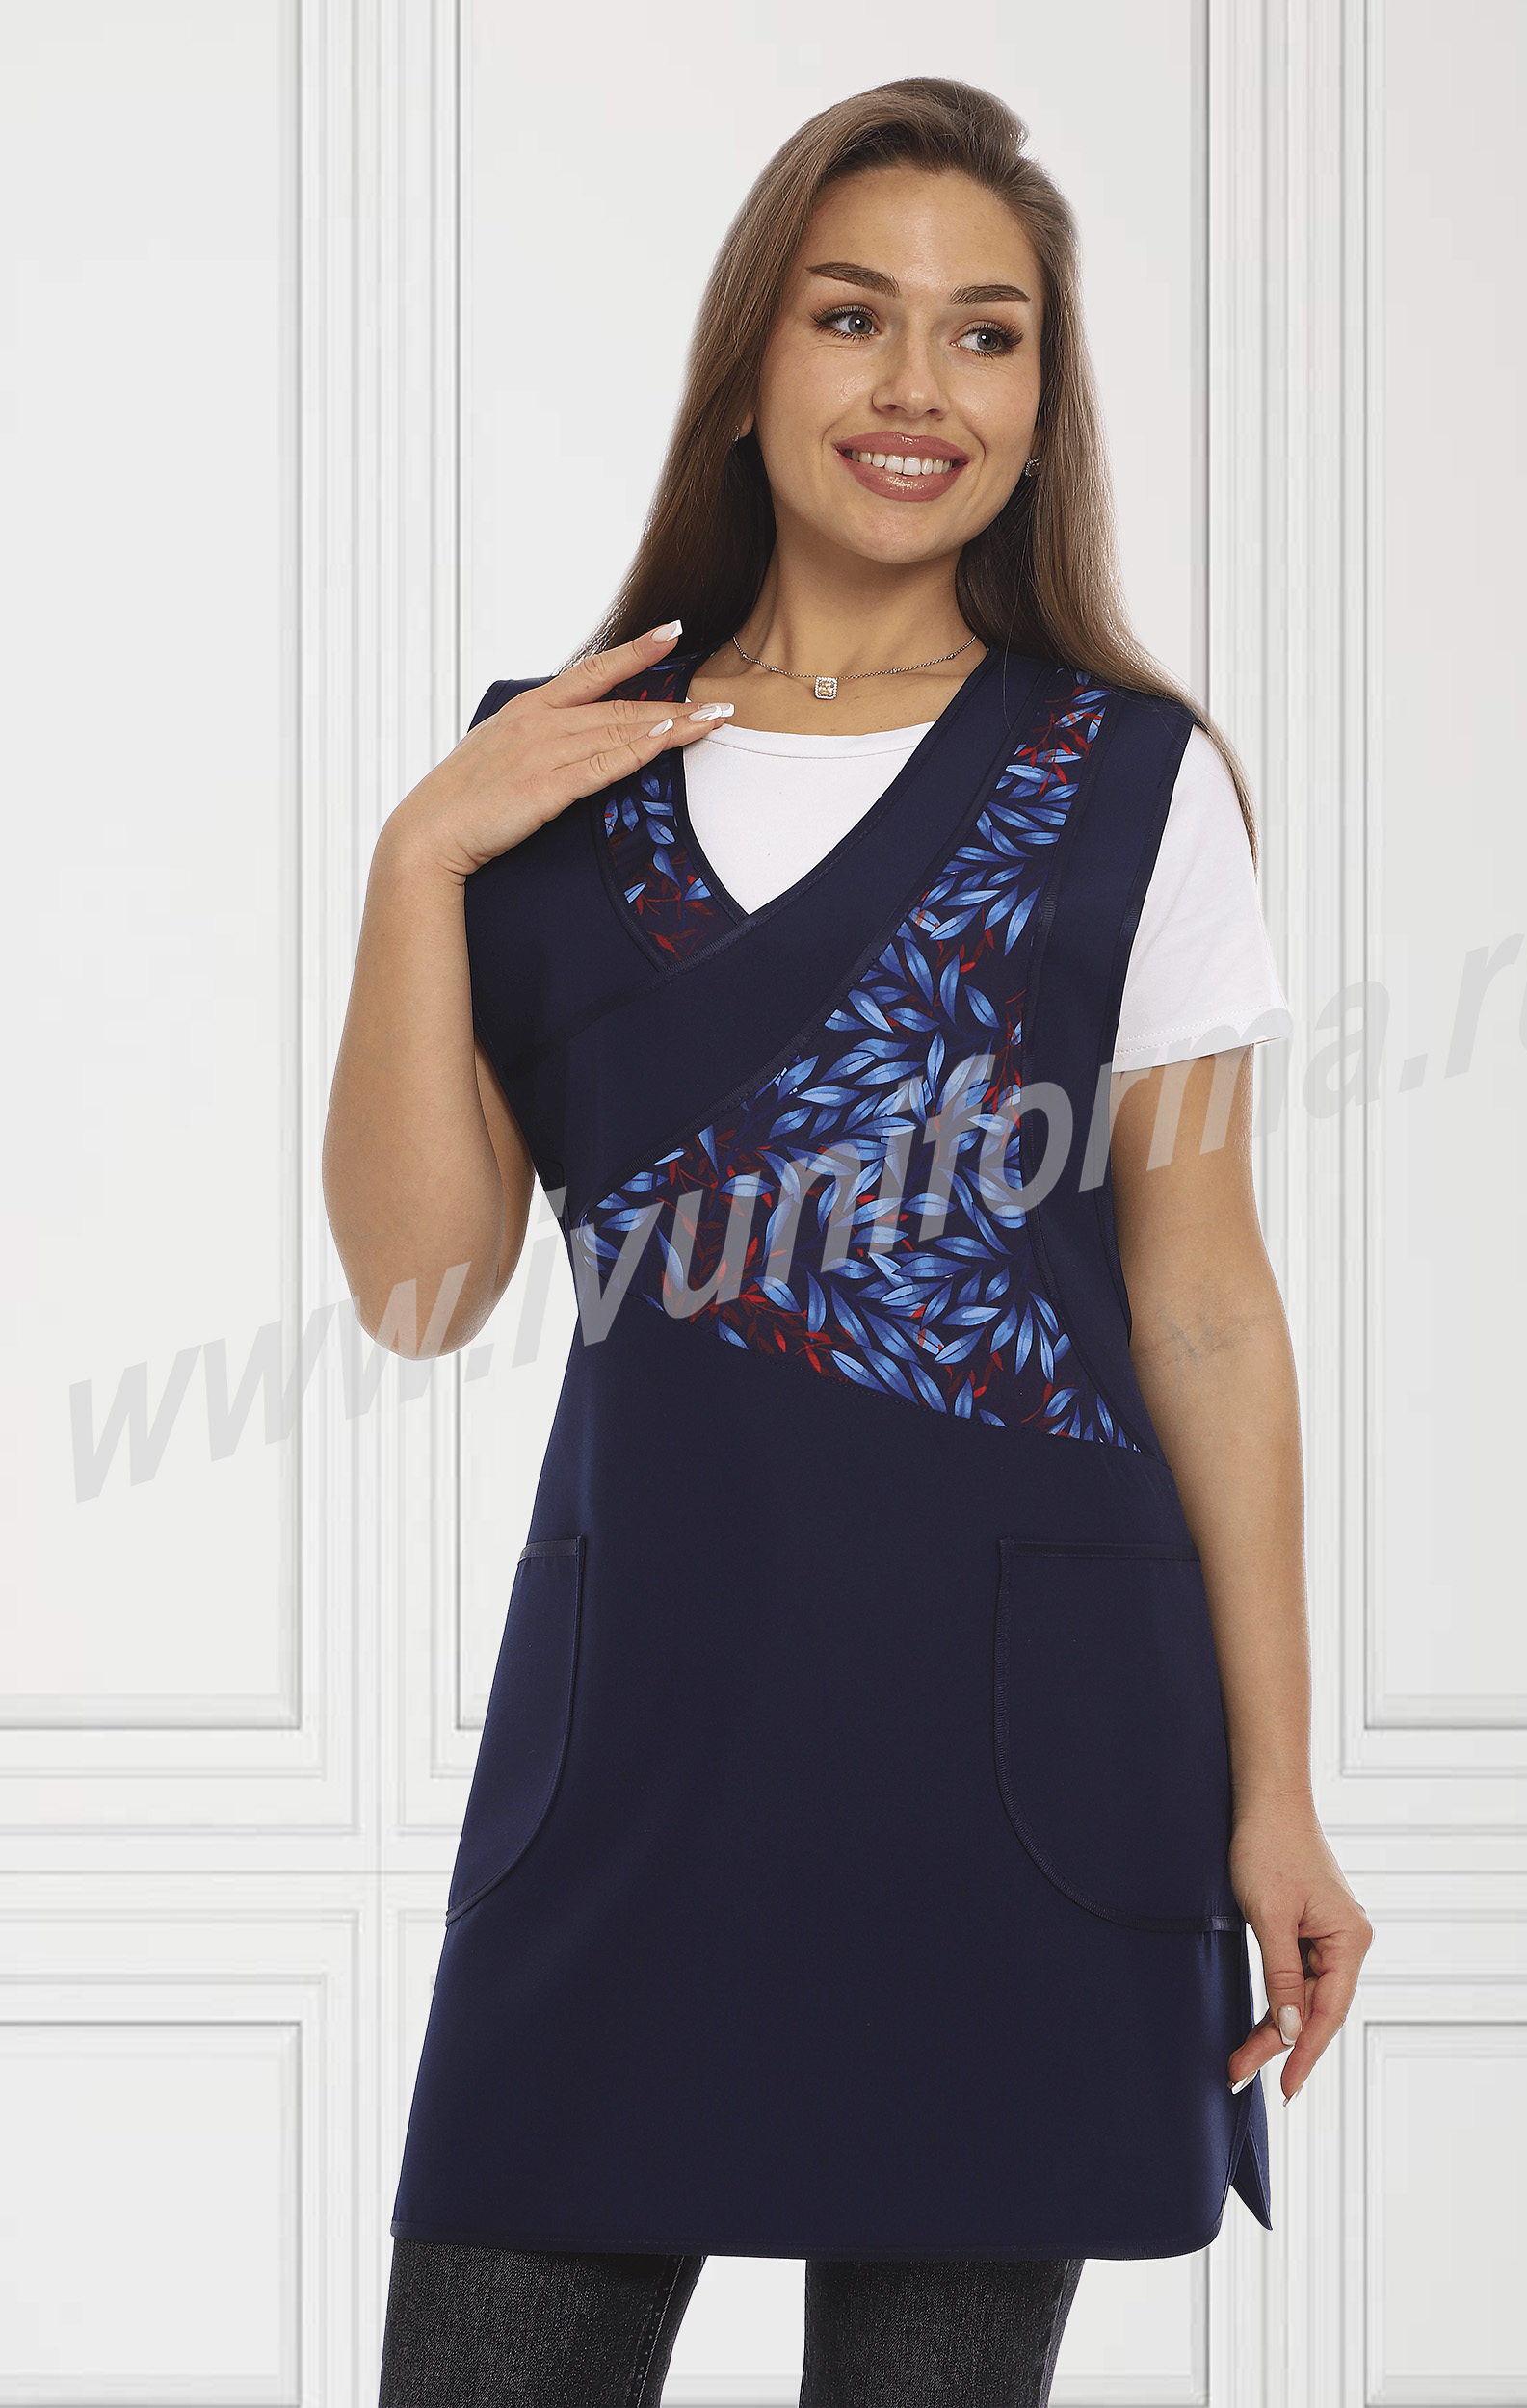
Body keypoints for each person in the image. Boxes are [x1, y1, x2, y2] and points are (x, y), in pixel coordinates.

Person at [324, 75, 1374, 2408]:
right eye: (852, 315)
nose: (919, 385)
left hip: (1021, 1757)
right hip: (639, 1745)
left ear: (1040, 404)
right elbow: (416, 1292)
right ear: (748, 364)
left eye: (986, 334)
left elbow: (1206, 1301)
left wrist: (1276, 1782)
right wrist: (416, 860)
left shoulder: (1132, 780)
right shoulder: (541, 774)